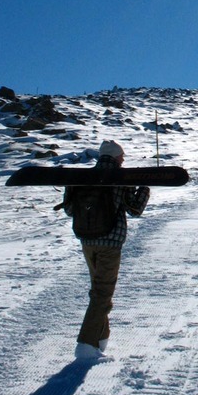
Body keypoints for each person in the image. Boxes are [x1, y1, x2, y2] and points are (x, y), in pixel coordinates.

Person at [63, 140, 150, 360]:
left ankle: (101, 339)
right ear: (116, 157)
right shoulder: (120, 179)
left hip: (86, 239)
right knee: (102, 292)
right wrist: (144, 188)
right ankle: (86, 344)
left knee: (98, 290)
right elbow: (135, 210)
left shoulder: (82, 178)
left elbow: (70, 210)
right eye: (122, 156)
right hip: (110, 242)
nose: (123, 160)